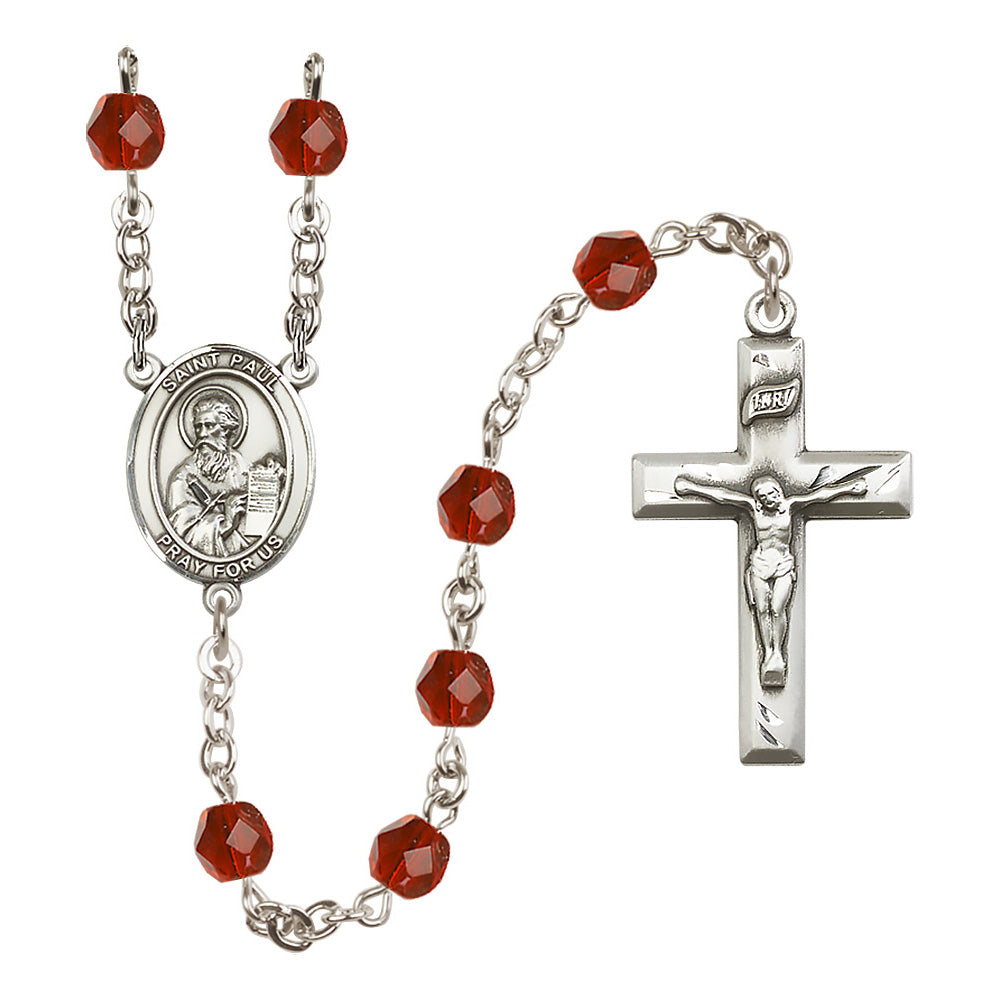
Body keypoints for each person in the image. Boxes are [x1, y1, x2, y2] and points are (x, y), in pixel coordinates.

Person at [674, 473, 867, 687]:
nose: (769, 500)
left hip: (783, 564)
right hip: (760, 564)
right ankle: (768, 652)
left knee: (777, 609)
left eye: (772, 494)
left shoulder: (791, 506)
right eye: (763, 497)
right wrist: (692, 488)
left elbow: (820, 496)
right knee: (762, 610)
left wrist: (848, 488)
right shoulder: (753, 509)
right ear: (758, 499)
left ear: (779, 492)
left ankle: (778, 651)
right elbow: (723, 496)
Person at [166, 393, 250, 557]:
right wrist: (225, 524)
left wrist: (277, 486)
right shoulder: (182, 477)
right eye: (198, 427)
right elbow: (180, 532)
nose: (202, 434)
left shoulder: (243, 466)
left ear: (225, 429)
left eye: (210, 425)